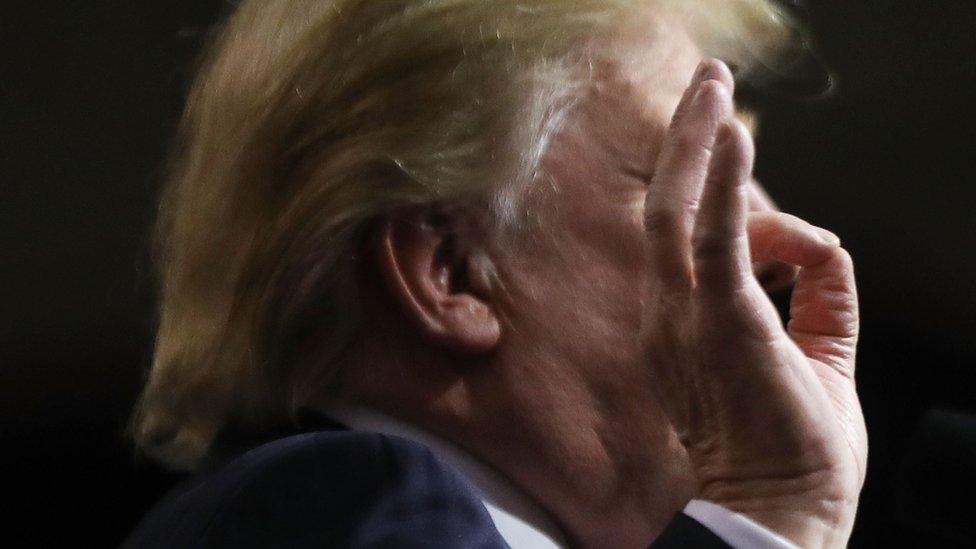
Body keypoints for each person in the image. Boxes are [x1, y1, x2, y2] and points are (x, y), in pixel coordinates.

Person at [126, 0, 866, 547]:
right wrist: (775, 512)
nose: (773, 247)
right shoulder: (347, 503)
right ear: (452, 271)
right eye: (692, 181)